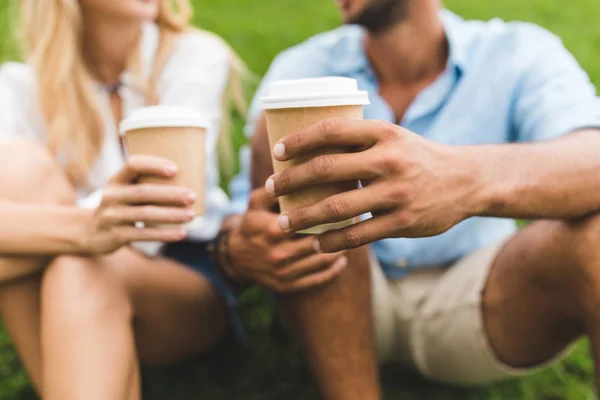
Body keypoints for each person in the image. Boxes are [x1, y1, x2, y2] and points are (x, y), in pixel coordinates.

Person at [223, 0, 600, 399]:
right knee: (284, 147)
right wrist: (235, 248)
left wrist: (465, 179)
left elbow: (591, 156)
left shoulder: (517, 52)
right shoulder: (301, 67)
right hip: (339, 297)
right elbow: (240, 215)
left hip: (482, 300)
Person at [0, 0, 247, 399]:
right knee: (16, 167)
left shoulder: (193, 55)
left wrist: (49, 233)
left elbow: (165, 215)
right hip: (66, 291)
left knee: (76, 266)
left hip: (178, 277)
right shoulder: (19, 87)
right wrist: (84, 231)